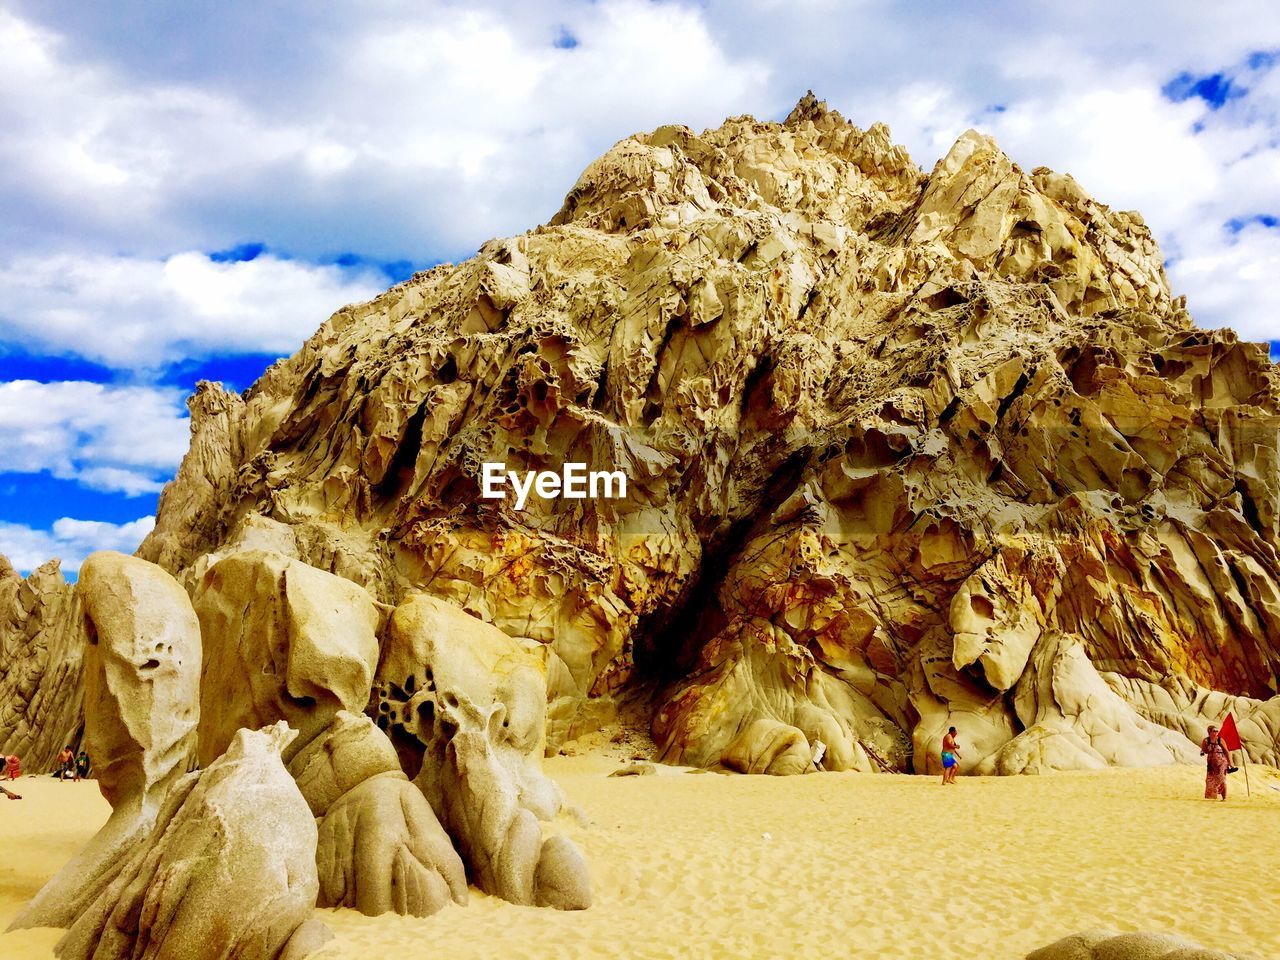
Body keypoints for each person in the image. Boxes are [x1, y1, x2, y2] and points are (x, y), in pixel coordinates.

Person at [1200, 724, 1230, 801]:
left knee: (1222, 779)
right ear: (1209, 732)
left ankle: (1224, 798)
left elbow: (1226, 751)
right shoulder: (1206, 741)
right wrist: (1204, 751)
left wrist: (1230, 763)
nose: (1216, 732)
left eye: (1217, 731)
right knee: (1210, 779)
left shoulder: (1220, 740)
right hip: (1211, 763)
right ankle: (1212, 797)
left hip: (1221, 763)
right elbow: (1204, 750)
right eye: (1214, 731)